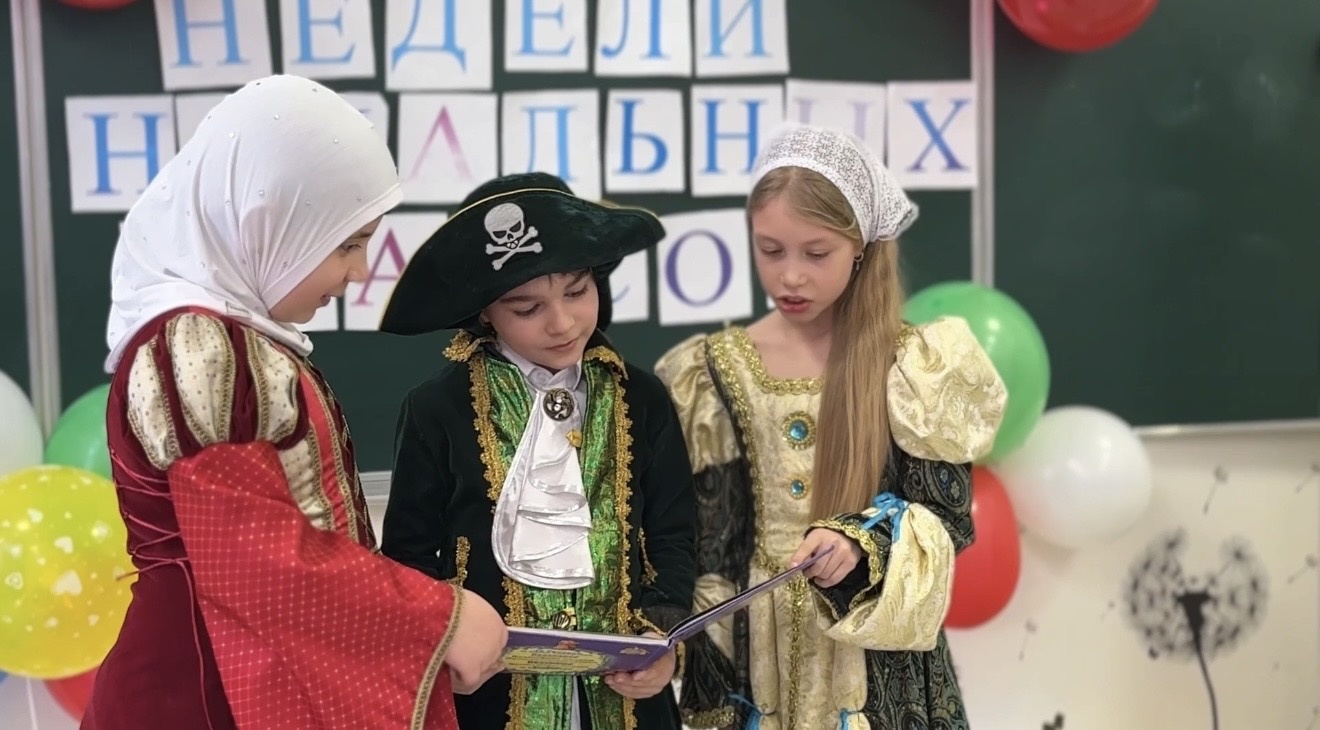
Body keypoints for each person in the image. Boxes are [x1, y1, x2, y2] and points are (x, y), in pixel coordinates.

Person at [85, 74, 507, 730]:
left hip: (253, 660)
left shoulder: (239, 339)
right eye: (346, 244)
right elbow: (253, 558)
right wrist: (439, 618)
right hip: (206, 688)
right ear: (266, 223)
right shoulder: (196, 346)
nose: (361, 271)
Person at [654, 123, 1009, 729]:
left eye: (816, 254)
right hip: (755, 663)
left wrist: (859, 543)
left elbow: (944, 519)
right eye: (770, 250)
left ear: (860, 249)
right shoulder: (708, 372)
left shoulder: (912, 366)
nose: (790, 276)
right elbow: (706, 538)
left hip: (877, 667)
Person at [376, 172, 697, 730]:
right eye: (527, 308)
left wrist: (660, 640)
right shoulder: (437, 409)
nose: (562, 322)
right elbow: (410, 555)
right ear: (483, 311)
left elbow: (674, 533)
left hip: (627, 694)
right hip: (489, 697)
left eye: (577, 291)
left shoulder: (641, 397)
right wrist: (445, 638)